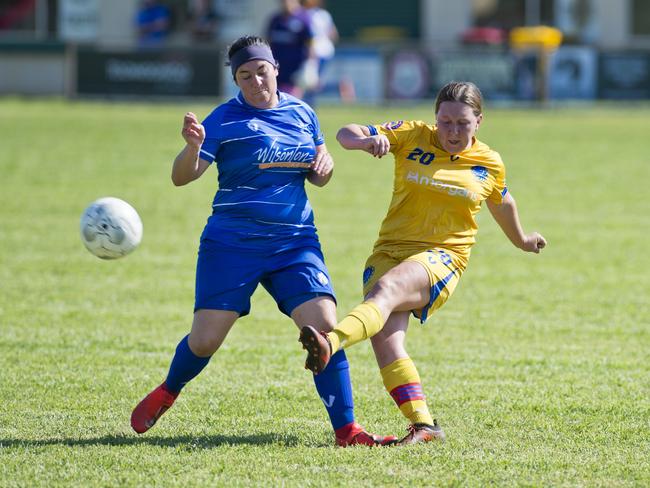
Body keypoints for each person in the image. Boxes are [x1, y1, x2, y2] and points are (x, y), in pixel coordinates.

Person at [130, 35, 396, 447]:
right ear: (235, 79)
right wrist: (192, 148)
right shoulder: (223, 119)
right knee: (204, 341)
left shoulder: (304, 113)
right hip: (232, 243)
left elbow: (317, 173)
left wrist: (324, 167)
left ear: (275, 68)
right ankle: (169, 390)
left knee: (325, 328)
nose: (255, 81)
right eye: (244, 75)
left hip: (295, 242)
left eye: (261, 71)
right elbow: (182, 177)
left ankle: (347, 430)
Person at [299, 81, 547, 445]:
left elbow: (502, 202)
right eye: (444, 122)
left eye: (462, 123)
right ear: (435, 118)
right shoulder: (413, 134)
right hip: (388, 251)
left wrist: (523, 240)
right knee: (385, 337)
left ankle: (330, 342)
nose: (452, 131)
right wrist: (367, 141)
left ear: (479, 121)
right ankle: (425, 425)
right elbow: (344, 133)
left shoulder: (489, 162)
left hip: (443, 256)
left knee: (387, 290)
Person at [266, 0, 316, 98]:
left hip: (295, 65)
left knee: (293, 96)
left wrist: (310, 63)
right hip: (277, 64)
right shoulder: (275, 20)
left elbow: (310, 42)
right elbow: (268, 41)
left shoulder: (303, 18)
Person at [300, 0, 338, 106]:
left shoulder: (306, 14)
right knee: (313, 81)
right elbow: (333, 34)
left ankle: (308, 104)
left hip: (315, 52)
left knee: (310, 81)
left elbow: (332, 33)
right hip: (325, 50)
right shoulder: (324, 14)